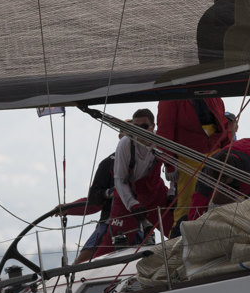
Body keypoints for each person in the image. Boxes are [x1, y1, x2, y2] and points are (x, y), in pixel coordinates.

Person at [53, 125, 129, 264]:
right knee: (80, 265)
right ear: (120, 137)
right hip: (109, 223)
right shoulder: (108, 164)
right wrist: (68, 208)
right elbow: (95, 201)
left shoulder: (148, 160)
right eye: (128, 134)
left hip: (140, 226)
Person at [157, 98, 231, 236]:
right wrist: (169, 163)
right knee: (187, 206)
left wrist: (228, 153)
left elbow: (223, 125)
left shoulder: (213, 96)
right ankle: (179, 240)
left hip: (215, 156)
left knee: (218, 203)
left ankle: (217, 238)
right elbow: (165, 130)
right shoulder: (171, 97)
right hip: (188, 158)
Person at [102, 108, 171, 252]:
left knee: (177, 230)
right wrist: (132, 204)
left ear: (153, 127)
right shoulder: (125, 144)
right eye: (135, 127)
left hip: (155, 194)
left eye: (144, 126)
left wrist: (172, 193)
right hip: (127, 198)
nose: (139, 131)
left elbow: (175, 170)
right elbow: (119, 180)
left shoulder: (162, 141)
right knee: (110, 246)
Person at [187, 136, 250, 221]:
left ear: (231, 175)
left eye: (223, 181)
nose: (220, 184)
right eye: (217, 182)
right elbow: (200, 196)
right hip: (242, 151)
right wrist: (194, 221)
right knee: (214, 195)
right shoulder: (209, 168)